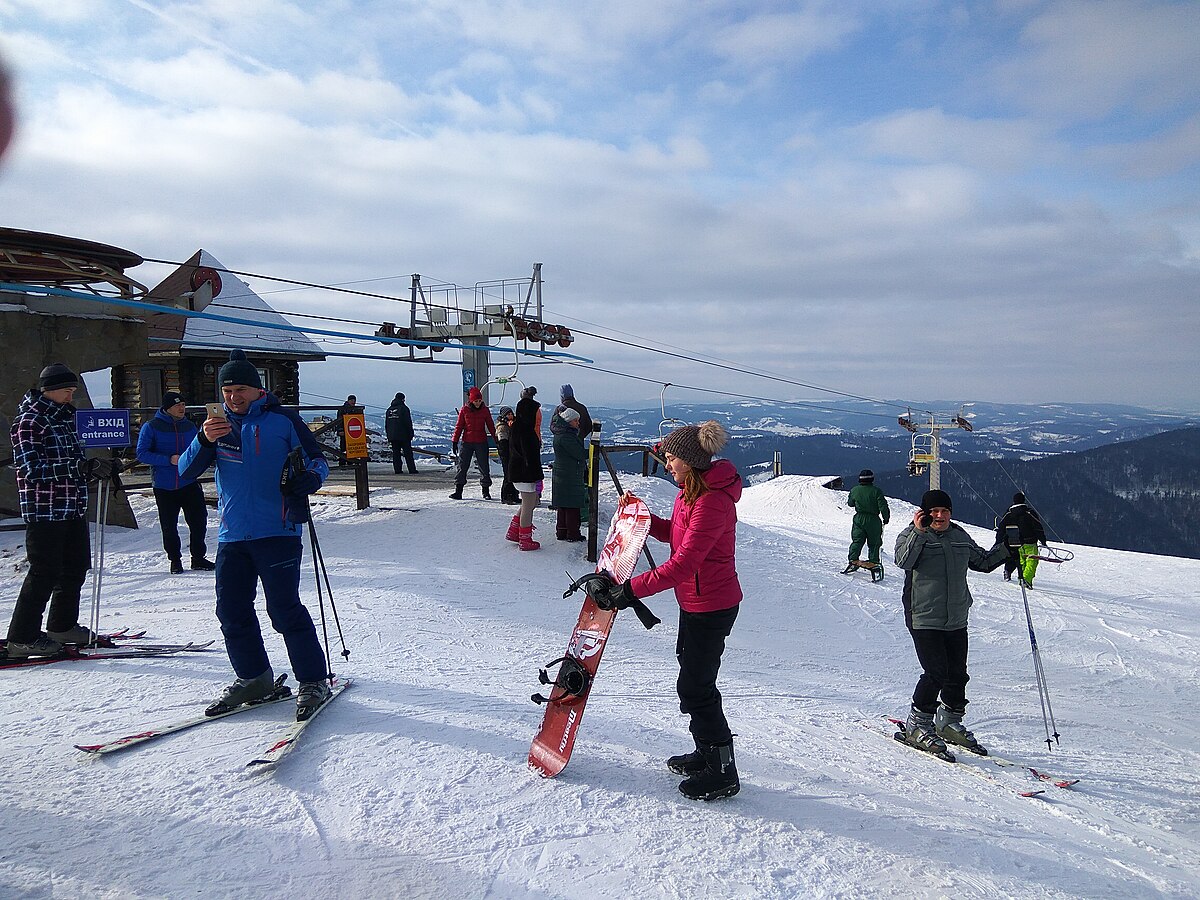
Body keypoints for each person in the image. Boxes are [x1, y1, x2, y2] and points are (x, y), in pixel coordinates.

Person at [590, 421, 743, 801]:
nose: (667, 464)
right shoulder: (690, 494)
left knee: (696, 686)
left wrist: (629, 591)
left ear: (690, 461)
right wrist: (638, 518)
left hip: (713, 605)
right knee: (694, 678)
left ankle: (723, 770)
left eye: (672, 458)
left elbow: (684, 563)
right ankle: (707, 753)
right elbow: (676, 534)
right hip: (694, 602)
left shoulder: (711, 501)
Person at [178, 350, 331, 721]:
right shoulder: (215, 427)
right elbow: (183, 472)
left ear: (258, 390)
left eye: (241, 389)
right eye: (227, 390)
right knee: (231, 612)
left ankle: (312, 680)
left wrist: (311, 479)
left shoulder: (283, 420)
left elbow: (319, 460)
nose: (233, 397)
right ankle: (255, 678)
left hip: (277, 529)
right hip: (232, 535)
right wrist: (203, 440)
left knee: (283, 610)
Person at [4, 364, 122, 657]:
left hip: (72, 506)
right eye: (67, 391)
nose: (71, 397)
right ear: (50, 390)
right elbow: (31, 469)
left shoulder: (65, 419)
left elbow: (74, 462)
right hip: (44, 509)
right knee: (44, 571)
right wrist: (78, 467)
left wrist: (98, 468)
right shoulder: (29, 421)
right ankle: (22, 636)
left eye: (73, 391)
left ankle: (62, 624)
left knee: (75, 568)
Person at [893, 489, 1010, 757]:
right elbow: (903, 561)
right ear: (923, 513)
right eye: (934, 511)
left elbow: (982, 562)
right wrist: (919, 532)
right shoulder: (911, 535)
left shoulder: (959, 536)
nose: (940, 516)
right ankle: (917, 724)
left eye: (945, 511)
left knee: (957, 674)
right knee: (936, 673)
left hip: (956, 616)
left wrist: (1007, 547)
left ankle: (948, 721)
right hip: (924, 616)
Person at [136, 392, 213, 574]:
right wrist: (168, 459)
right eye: (178, 405)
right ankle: (175, 560)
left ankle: (198, 558)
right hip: (164, 484)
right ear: (167, 408)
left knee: (199, 521)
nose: (182, 408)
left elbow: (198, 448)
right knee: (169, 525)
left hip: (189, 482)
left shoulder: (190, 426)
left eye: (184, 405)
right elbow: (142, 453)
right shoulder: (151, 427)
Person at [504, 395, 544, 550]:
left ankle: (515, 531)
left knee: (530, 502)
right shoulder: (526, 431)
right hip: (525, 474)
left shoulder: (517, 427)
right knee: (529, 504)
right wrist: (537, 477)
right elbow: (530, 457)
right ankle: (525, 539)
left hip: (518, 472)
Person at [449, 387, 497, 500]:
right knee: (462, 466)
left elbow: (490, 425)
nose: (478, 403)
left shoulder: (485, 410)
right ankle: (458, 490)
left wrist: (496, 439)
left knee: (484, 466)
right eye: (476, 401)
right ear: (471, 400)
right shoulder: (464, 410)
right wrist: (455, 440)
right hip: (467, 441)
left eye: (479, 401)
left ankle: (486, 491)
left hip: (481, 441)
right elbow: (459, 426)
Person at [843, 468, 890, 577]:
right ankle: (873, 562)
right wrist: (886, 518)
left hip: (859, 518)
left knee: (857, 540)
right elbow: (883, 506)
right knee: (874, 543)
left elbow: (850, 503)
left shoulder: (854, 490)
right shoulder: (876, 491)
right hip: (873, 519)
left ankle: (853, 559)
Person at [550, 406, 587, 541]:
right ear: (569, 421)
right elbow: (578, 453)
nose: (578, 423)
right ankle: (573, 533)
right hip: (569, 474)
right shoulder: (567, 437)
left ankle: (562, 532)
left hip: (562, 473)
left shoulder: (561, 433)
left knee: (563, 505)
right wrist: (592, 452)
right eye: (576, 421)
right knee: (572, 506)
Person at [996, 492, 1047, 587]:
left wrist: (998, 542)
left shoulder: (1009, 514)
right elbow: (1038, 527)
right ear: (1023, 501)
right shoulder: (1029, 513)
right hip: (1029, 541)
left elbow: (1001, 528)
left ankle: (1021, 579)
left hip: (1015, 542)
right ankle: (1026, 579)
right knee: (1031, 561)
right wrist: (1043, 540)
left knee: (1021, 561)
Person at [385, 392, 417, 475]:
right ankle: (412, 469)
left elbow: (387, 424)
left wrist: (389, 435)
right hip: (404, 435)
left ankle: (397, 470)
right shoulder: (404, 408)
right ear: (403, 399)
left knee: (396, 454)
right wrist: (411, 433)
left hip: (392, 436)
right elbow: (407, 422)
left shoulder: (389, 410)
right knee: (408, 453)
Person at [495, 405, 520, 504]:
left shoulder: (512, 424)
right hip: (506, 452)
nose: (510, 416)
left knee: (514, 474)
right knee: (508, 474)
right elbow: (503, 442)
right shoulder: (502, 427)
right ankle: (506, 495)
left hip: (513, 452)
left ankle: (514, 494)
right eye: (508, 414)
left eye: (511, 414)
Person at [334, 394, 359, 467]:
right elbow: (339, 421)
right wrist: (340, 430)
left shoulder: (356, 409)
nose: (353, 402)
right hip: (344, 430)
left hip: (352, 431)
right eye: (352, 400)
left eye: (354, 400)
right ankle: (342, 462)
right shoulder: (343, 409)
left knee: (352, 446)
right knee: (343, 447)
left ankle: (350, 461)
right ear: (348, 400)